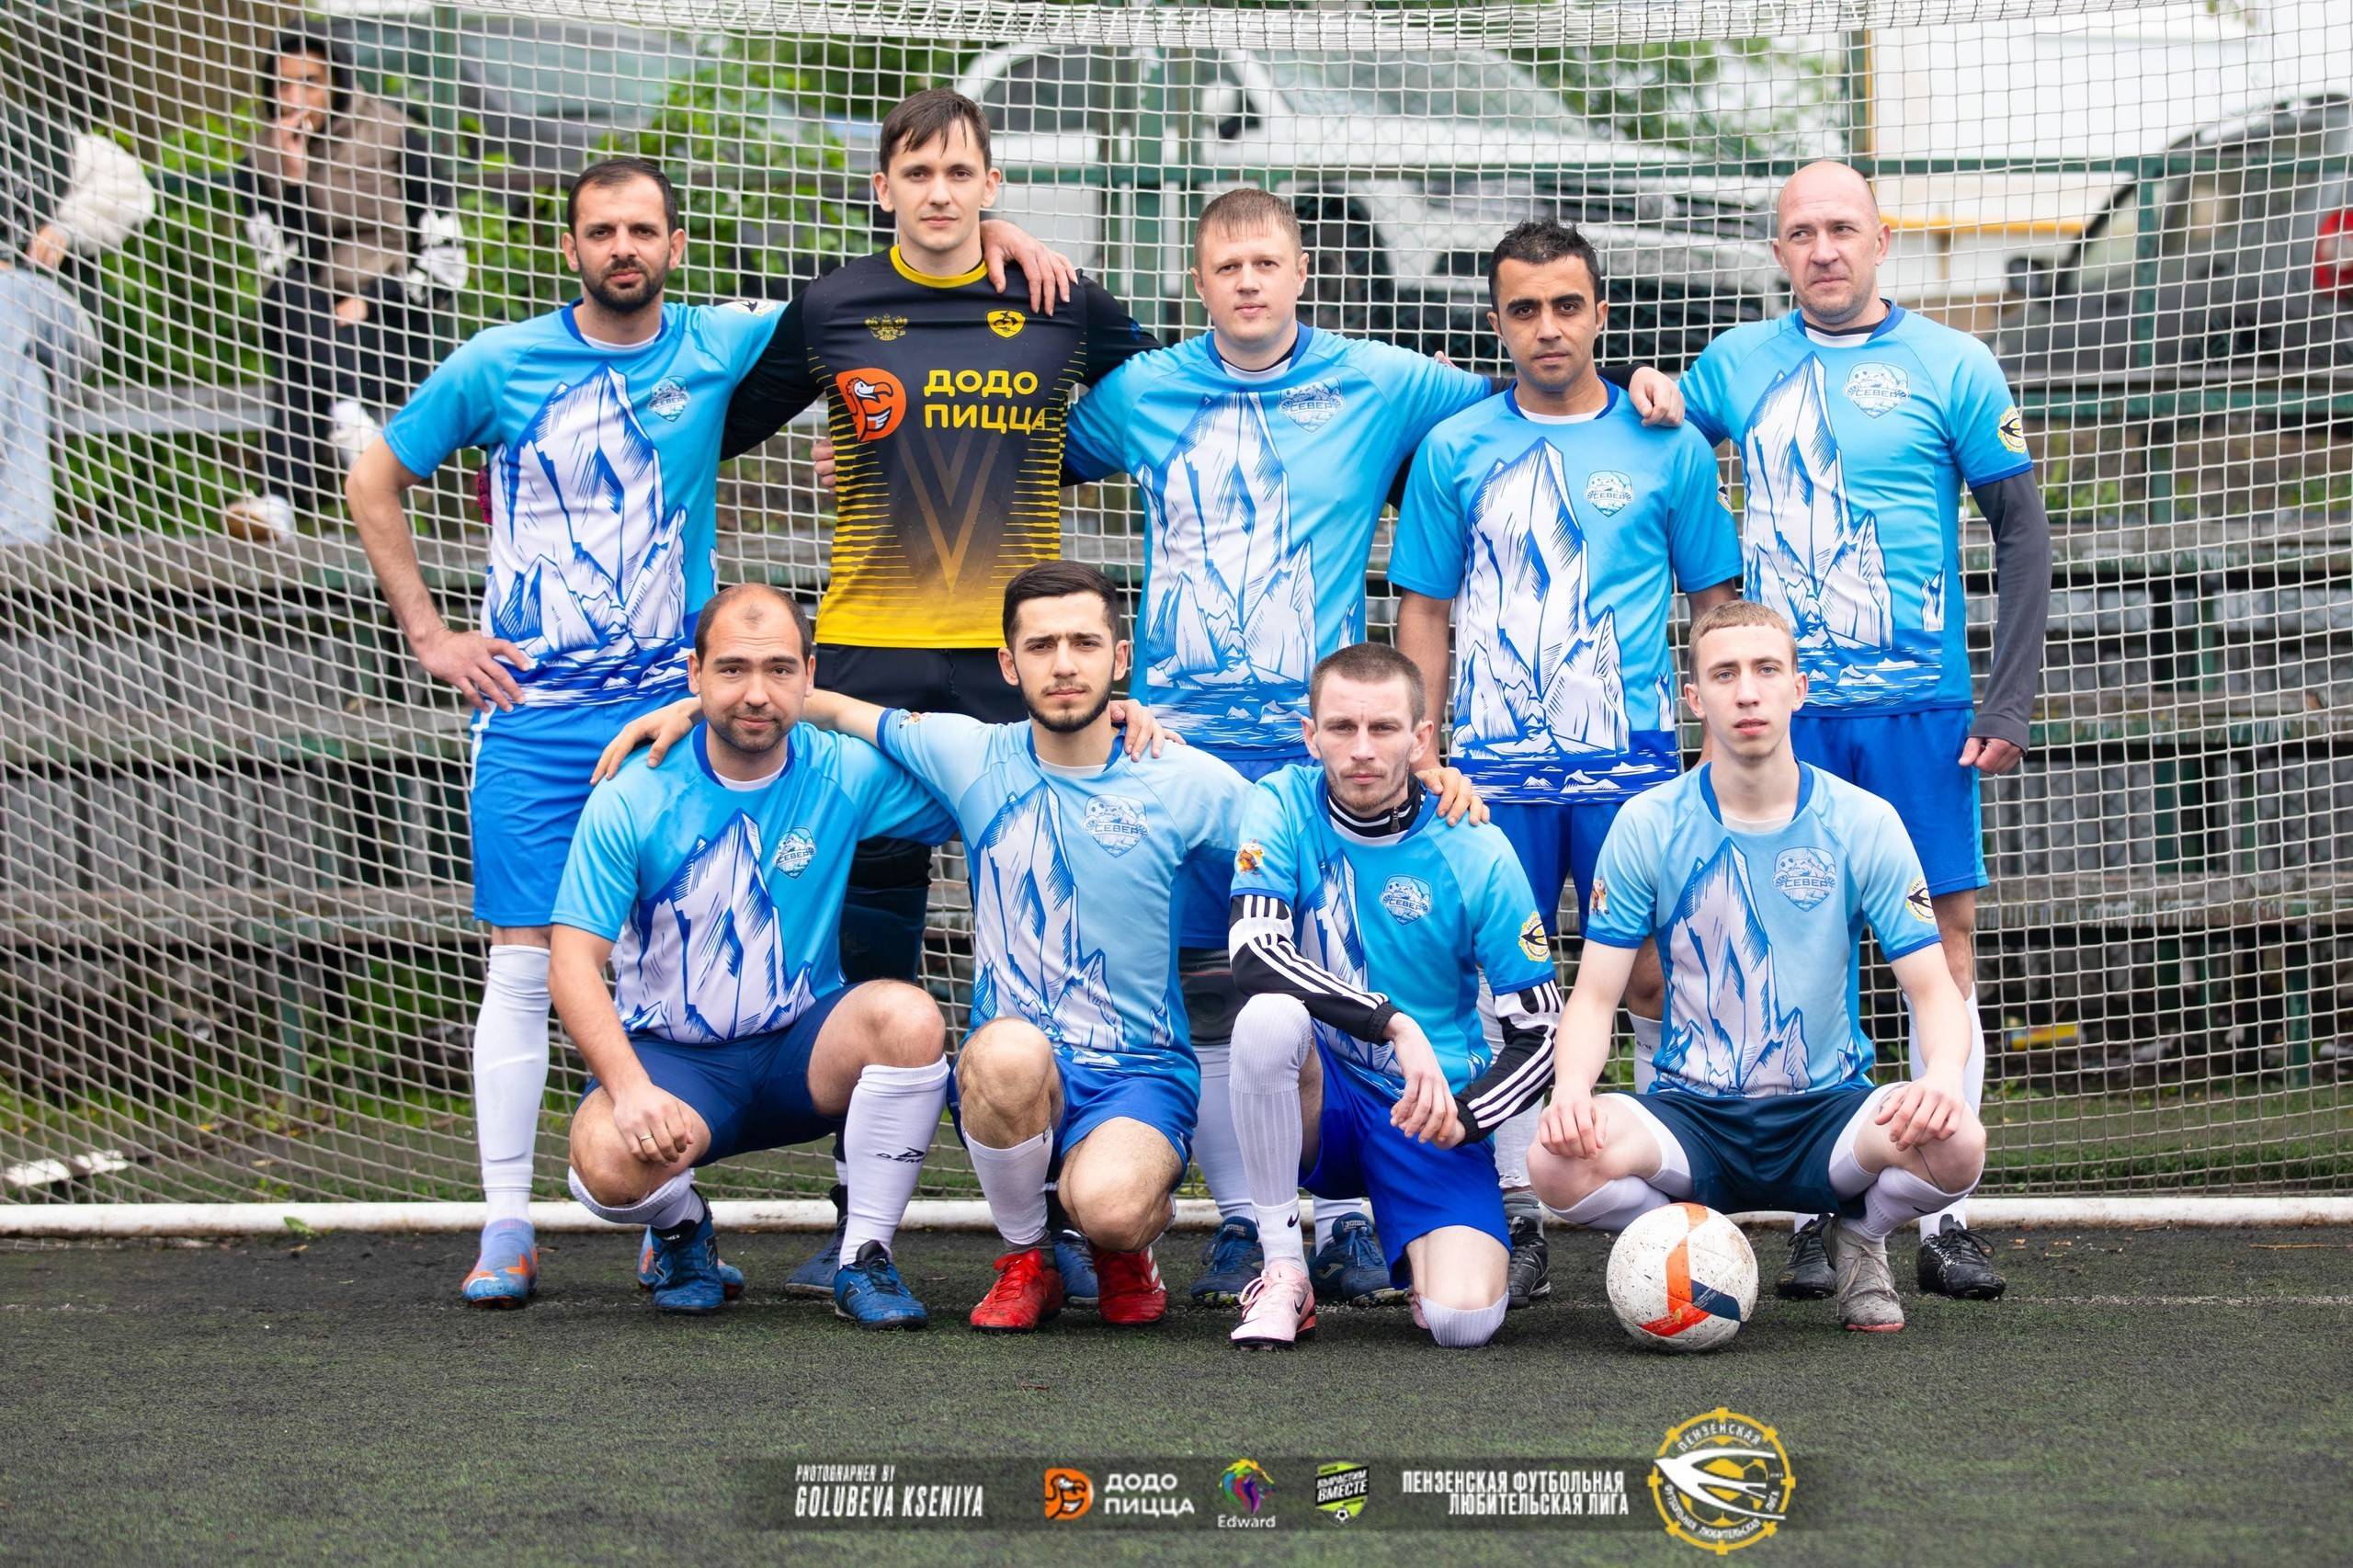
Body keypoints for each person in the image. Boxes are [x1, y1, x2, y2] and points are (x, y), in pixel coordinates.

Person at [351, 153, 1061, 1310]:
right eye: (600, 231)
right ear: (571, 248)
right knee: (525, 960)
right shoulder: (498, 361)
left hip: (677, 705)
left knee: (680, 929)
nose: (622, 248)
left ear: (674, 247)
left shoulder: (718, 341)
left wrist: (993, 235)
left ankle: (692, 1210)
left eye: (642, 230)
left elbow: (864, 299)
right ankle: (506, 1223)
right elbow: (374, 478)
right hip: (536, 713)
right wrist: (431, 634)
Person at [1057, 186, 1683, 1310]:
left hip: (1325, 747)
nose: (1248, 283)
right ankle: (1247, 1223)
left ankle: (1350, 1222)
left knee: (1348, 963)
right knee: (1220, 984)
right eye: (1225, 268)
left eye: (1266, 263)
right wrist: (867, 464)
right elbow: (1026, 457)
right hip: (1178, 747)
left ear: (1303, 273)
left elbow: (1533, 393)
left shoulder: (1384, 380)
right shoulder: (1142, 390)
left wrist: (1646, 380)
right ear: (1197, 285)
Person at [714, 88, 1154, 1302]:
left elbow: (1176, 399)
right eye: (918, 172)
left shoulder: (1060, 301)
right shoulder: (833, 307)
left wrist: (1032, 449)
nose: (942, 191)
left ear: (993, 184)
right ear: (884, 188)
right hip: (867, 663)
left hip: (1017, 670)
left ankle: (1061, 1215)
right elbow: (720, 425)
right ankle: (861, 1225)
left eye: (962, 172)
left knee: (1049, 938)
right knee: (874, 951)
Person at [600, 562, 1242, 1332]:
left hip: (1137, 1069)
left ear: (1121, 657)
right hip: (1017, 1069)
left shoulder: (1183, 776)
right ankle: (1029, 1255)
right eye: (1041, 646)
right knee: (1004, 1051)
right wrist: (694, 707)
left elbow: (1287, 840)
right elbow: (828, 705)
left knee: (1111, 1209)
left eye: (1084, 643)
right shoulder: (967, 752)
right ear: (1008, 664)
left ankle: (1118, 1243)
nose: (1065, 664)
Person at [1673, 161, 2049, 1301]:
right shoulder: (1733, 363)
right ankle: (1814, 1201)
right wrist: (1644, 390)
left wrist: (2007, 699)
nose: (1823, 248)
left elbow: (2022, 533)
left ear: (1881, 239)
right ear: (1777, 253)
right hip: (1783, 711)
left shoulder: (1953, 362)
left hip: (1918, 709)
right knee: (1794, 941)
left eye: (1842, 228)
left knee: (1943, 939)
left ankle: (1943, 1209)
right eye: (1800, 233)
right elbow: (1656, 460)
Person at [1392, 220, 1742, 1309]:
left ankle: (1675, 1180)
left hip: (1630, 772)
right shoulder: (1454, 447)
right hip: (1491, 777)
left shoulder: (1667, 444)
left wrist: (1715, 734)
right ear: (1497, 322)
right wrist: (1420, 743)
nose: (1547, 326)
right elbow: (1425, 609)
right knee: (1503, 982)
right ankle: (1516, 1205)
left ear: (1599, 312)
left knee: (1653, 973)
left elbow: (1715, 602)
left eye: (1566, 305)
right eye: (1523, 309)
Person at [1527, 601, 1987, 1333]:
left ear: (1798, 689)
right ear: (1694, 698)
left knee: (1958, 1144)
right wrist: (1573, 1092)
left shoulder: (1864, 821)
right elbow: (1592, 998)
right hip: (1692, 1116)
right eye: (1725, 674)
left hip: (1828, 1111)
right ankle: (1687, 1237)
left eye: (1767, 670)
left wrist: (1941, 1081)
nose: (1747, 692)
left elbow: (1934, 991)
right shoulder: (1647, 823)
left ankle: (1860, 1234)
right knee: (1553, 1163)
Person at [551, 585, 955, 1324]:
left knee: (909, 1017)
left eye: (779, 670)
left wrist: (1114, 724)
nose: (757, 694)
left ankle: (863, 1256)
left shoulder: (842, 770)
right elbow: (571, 962)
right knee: (604, 1160)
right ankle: (681, 1232)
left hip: (801, 1054)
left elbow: (987, 777)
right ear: (694, 675)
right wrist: (631, 1090)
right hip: (678, 1068)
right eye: (732, 669)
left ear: (809, 673)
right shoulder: (631, 795)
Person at [1221, 642, 1563, 1350]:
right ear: (1310, 734)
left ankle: (1423, 1252)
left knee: (1463, 1323)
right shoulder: (1280, 803)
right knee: (1266, 1019)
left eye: (1383, 728)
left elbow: (1541, 1030)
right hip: (1320, 1093)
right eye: (1341, 728)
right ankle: (1284, 1271)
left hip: (1426, 1108)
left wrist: (1468, 1116)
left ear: (1421, 737)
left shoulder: (1476, 848)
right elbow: (1254, 951)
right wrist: (1392, 1023)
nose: (1361, 749)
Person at [228, 26, 467, 540]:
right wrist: (292, 182)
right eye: (284, 85)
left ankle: (278, 501)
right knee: (290, 302)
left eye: (310, 82)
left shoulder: (397, 135)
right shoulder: (257, 162)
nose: (296, 98)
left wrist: (373, 302)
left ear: (337, 82)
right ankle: (349, 421)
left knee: (302, 369)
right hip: (313, 321)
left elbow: (449, 264)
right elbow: (280, 266)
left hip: (391, 329)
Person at [1, 85, 151, 545]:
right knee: (25, 381)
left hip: (59, 322)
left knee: (8, 293)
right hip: (19, 357)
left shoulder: (36, 134)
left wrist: (69, 226)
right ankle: (20, 545)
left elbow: (134, 188)